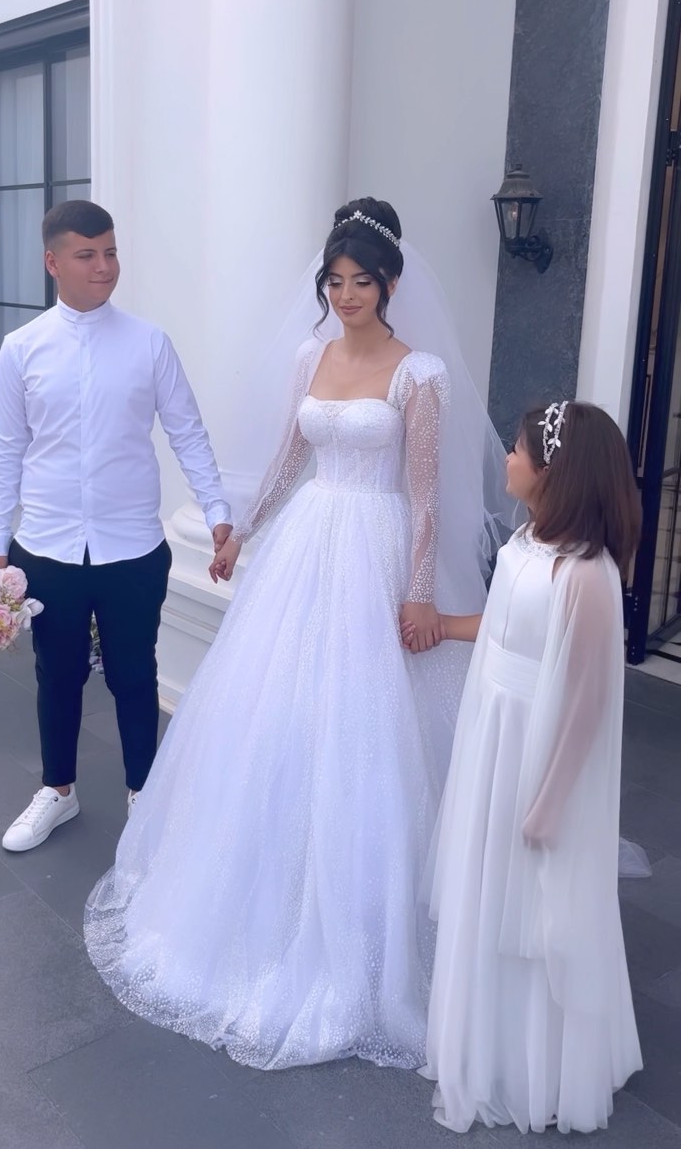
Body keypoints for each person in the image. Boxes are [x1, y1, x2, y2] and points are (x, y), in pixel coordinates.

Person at [84, 198, 518, 1071]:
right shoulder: (309, 355)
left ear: (389, 284)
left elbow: (427, 497)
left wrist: (420, 595)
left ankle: (367, 905)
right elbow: (289, 453)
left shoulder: (420, 373)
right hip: (308, 541)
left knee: (370, 722)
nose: (346, 295)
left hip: (376, 546)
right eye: (335, 281)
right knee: (276, 711)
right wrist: (242, 530)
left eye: (362, 281)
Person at [418, 401, 644, 1135]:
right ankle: (482, 1044)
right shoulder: (523, 541)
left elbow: (587, 701)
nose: (507, 459)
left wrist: (548, 802)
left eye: (517, 450)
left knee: (531, 911)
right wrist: (443, 627)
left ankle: (534, 1063)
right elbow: (506, 625)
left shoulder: (586, 576)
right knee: (485, 891)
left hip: (535, 750)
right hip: (493, 732)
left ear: (552, 472)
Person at [0, 200, 231, 852]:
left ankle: (144, 794)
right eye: (87, 255)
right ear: (53, 262)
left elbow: (187, 432)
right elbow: (7, 449)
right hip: (49, 547)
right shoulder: (22, 348)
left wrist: (217, 511)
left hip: (132, 547)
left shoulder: (148, 343)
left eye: (111, 252)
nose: (104, 266)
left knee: (134, 673)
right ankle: (58, 791)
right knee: (57, 674)